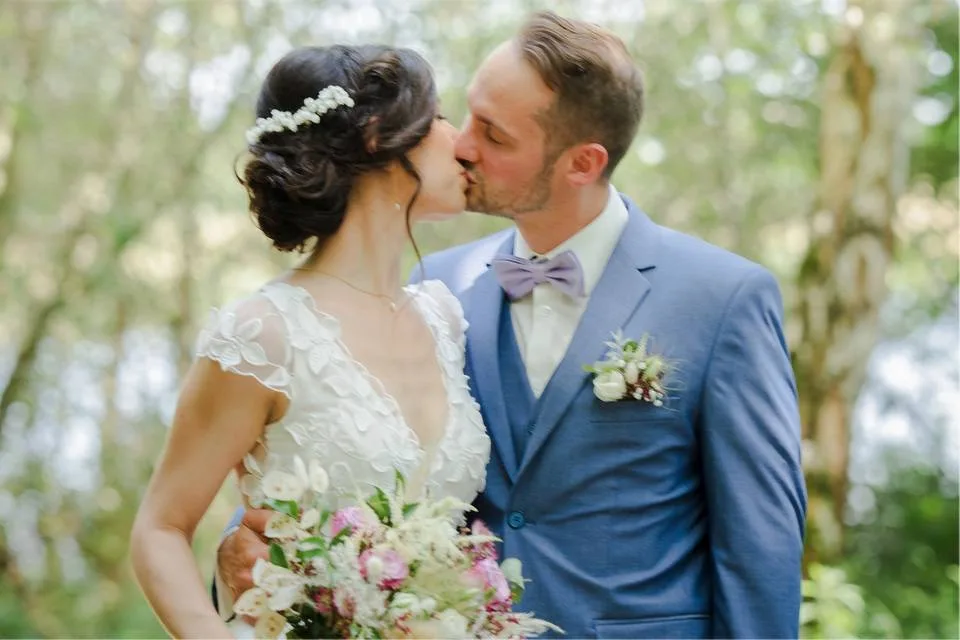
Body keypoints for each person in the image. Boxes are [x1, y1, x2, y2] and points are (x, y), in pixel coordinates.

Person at [218, 11, 808, 639]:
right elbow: (351, 452)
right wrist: (243, 544)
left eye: (494, 136)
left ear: (581, 163)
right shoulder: (432, 292)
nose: (460, 144)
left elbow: (760, 546)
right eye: (467, 114)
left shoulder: (722, 299)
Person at [130, 43, 491, 639]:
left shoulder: (445, 318)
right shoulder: (263, 334)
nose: (462, 141)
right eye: (441, 118)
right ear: (379, 136)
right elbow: (160, 528)